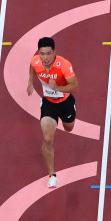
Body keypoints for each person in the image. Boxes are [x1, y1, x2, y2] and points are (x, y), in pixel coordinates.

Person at [27, 36, 79, 188]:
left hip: (66, 102)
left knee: (69, 128)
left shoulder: (64, 65)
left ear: (54, 52)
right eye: (42, 53)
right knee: (48, 139)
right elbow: (32, 67)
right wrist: (30, 82)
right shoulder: (36, 61)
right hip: (49, 104)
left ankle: (70, 115)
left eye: (48, 53)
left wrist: (57, 88)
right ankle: (52, 175)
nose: (45, 57)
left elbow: (75, 86)